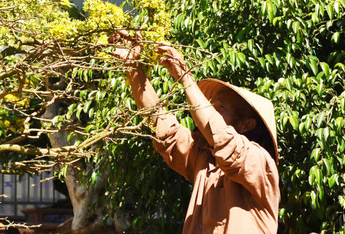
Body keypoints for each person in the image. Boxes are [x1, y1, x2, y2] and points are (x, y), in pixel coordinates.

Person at [115, 35, 280, 233]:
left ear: (245, 125)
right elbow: (164, 128)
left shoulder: (260, 164)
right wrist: (133, 67)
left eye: (220, 107)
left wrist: (185, 76)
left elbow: (220, 134)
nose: (208, 110)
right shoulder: (205, 160)